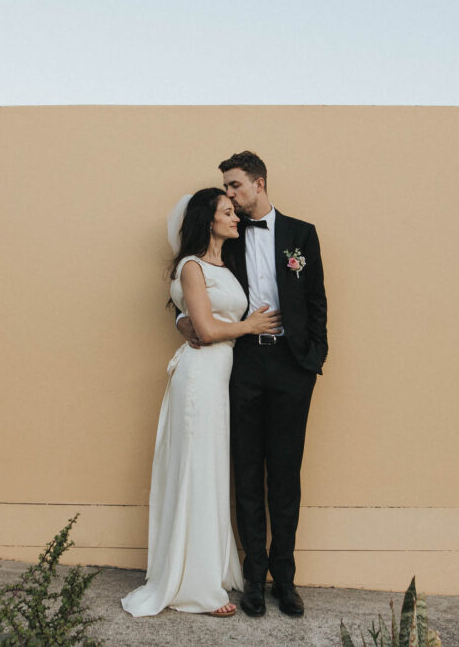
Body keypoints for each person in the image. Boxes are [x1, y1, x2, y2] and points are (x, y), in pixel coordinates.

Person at [178, 152, 328, 617]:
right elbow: (199, 281)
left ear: (259, 184)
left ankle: (286, 579)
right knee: (246, 471)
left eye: (235, 186)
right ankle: (253, 581)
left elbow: (317, 298)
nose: (230, 195)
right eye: (226, 189)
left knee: (285, 474)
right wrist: (185, 319)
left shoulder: (302, 234)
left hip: (290, 365)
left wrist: (313, 358)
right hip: (242, 364)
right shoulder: (230, 235)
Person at [122, 188, 280, 618]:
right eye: (227, 213)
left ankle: (208, 568)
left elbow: (198, 315)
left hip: (218, 379)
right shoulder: (191, 266)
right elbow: (207, 330)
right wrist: (250, 326)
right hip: (199, 378)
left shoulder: (224, 265)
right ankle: (193, 587)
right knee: (196, 467)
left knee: (210, 469)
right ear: (207, 221)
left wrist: (187, 318)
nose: (235, 218)